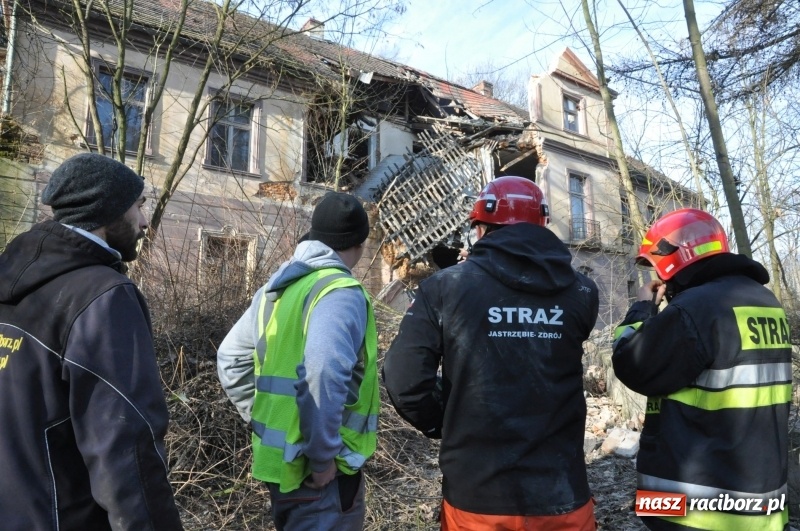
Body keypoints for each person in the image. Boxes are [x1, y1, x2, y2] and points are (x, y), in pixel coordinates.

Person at [383, 176, 599, 530]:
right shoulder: (582, 291)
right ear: (543, 223)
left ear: (480, 229)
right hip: (562, 494)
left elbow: (404, 378)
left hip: (478, 499)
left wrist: (440, 419)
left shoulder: (444, 287)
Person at [0, 152, 183, 530]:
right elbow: (126, 448)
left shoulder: (11, 285)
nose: (145, 222)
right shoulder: (103, 296)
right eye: (138, 206)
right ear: (107, 210)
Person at [612, 208, 791, 531]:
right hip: (761, 497)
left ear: (673, 259)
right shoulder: (766, 301)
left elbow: (631, 364)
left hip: (699, 506)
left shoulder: (698, 308)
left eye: (656, 267)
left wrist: (643, 308)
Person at [217, 192, 380, 531]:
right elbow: (323, 372)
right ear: (360, 244)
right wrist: (321, 458)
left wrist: (261, 419)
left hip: (279, 468)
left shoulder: (275, 290)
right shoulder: (340, 291)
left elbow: (230, 359)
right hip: (322, 478)